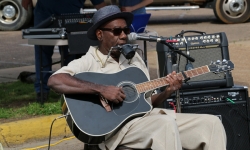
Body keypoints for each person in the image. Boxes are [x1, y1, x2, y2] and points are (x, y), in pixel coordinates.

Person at [48, 5, 227, 150]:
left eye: (126, 30)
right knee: (164, 124)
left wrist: (167, 91)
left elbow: (147, 102)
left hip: (149, 119)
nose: (124, 35)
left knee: (210, 124)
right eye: (117, 31)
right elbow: (55, 80)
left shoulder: (134, 59)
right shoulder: (88, 61)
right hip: (116, 131)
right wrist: (102, 89)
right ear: (100, 34)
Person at [21, 0, 106, 102]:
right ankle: (42, 92)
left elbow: (101, 6)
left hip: (70, 17)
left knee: (70, 57)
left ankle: (70, 90)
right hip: (45, 14)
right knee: (42, 52)